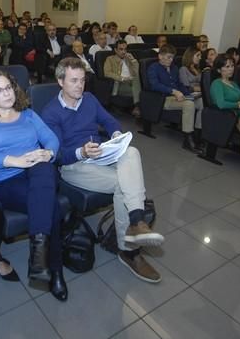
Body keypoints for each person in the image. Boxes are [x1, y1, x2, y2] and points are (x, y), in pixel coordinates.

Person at [41, 57, 165, 283]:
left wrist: (116, 137)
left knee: (132, 152)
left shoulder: (89, 99)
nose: (80, 85)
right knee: (123, 184)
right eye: (74, 81)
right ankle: (129, 250)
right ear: (60, 81)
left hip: (101, 154)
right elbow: (57, 156)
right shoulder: (50, 113)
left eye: (82, 80)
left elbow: (110, 122)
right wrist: (82, 152)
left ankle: (136, 222)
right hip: (74, 164)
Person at [0, 70, 67, 301]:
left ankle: (40, 257)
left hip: (36, 174)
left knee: (43, 167)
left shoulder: (28, 114)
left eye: (9, 87)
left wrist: (47, 153)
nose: (6, 93)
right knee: (49, 205)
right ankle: (54, 269)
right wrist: (15, 160)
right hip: (3, 181)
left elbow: (51, 138)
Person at [147, 44, 200, 152]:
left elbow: (179, 84)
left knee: (200, 102)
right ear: (160, 56)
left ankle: (198, 134)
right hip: (163, 99)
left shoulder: (174, 68)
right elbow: (155, 85)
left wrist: (188, 93)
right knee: (189, 104)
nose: (171, 60)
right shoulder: (153, 68)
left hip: (177, 97)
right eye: (168, 57)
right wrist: (174, 91)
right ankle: (187, 139)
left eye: (172, 58)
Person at [104, 40, 141, 117]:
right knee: (137, 83)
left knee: (136, 78)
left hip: (132, 82)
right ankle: (138, 107)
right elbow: (107, 73)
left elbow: (137, 72)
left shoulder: (128, 59)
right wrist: (122, 78)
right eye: (121, 49)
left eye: (125, 49)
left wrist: (133, 60)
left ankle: (137, 107)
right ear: (115, 50)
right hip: (119, 84)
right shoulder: (110, 59)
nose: (124, 52)